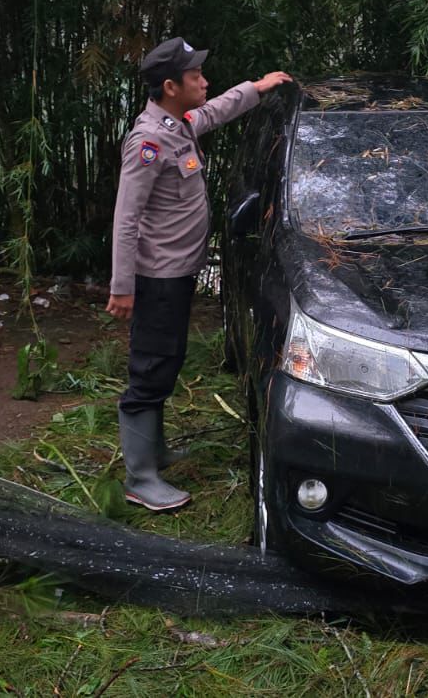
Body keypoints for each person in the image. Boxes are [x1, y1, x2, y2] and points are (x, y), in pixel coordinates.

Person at [107, 37, 291, 511]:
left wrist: (258, 87)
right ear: (171, 86)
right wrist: (122, 287)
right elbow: (126, 218)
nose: (204, 82)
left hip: (177, 272)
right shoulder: (148, 142)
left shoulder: (178, 124)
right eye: (195, 77)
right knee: (150, 369)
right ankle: (139, 478)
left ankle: (155, 452)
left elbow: (215, 111)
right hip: (157, 278)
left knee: (166, 361)